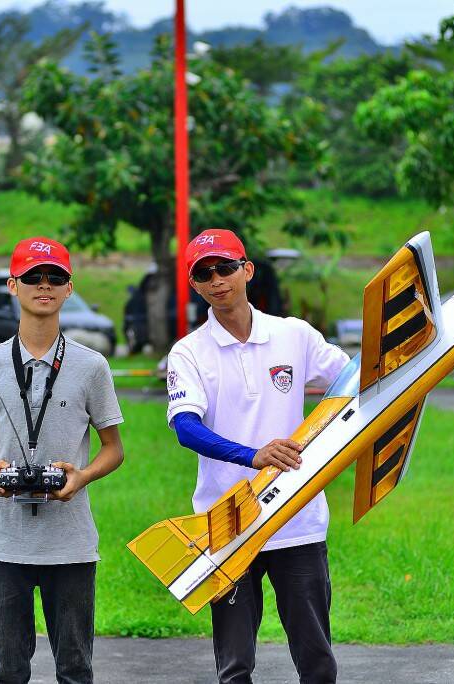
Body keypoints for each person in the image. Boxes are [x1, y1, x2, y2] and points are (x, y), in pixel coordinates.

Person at [166, 229, 350, 684]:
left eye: (225, 268)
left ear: (247, 270)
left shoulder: (293, 335)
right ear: (194, 284)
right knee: (235, 668)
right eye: (203, 273)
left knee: (317, 661)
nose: (217, 280)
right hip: (227, 523)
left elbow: (353, 380)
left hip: (297, 519)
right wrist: (254, 456)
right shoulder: (189, 352)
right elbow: (185, 428)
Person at [0, 236, 125, 684]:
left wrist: (82, 476)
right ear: (13, 285)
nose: (43, 285)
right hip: (5, 540)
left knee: (75, 669)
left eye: (55, 277)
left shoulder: (91, 366)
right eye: (33, 277)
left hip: (70, 544)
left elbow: (114, 448)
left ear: (70, 289)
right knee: (7, 669)